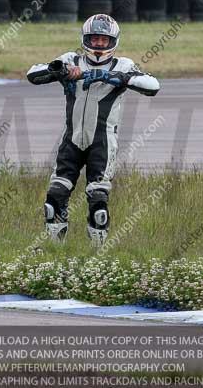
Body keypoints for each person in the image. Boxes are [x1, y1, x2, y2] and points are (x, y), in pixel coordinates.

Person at [26, 14, 161, 246]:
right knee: (54, 197)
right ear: (85, 39)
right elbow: (33, 74)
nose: (98, 44)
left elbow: (152, 85)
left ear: (113, 42)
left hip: (103, 141)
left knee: (98, 200)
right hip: (72, 140)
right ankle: (55, 250)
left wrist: (114, 77)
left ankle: (96, 255)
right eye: (94, 39)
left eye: (103, 40)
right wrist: (60, 71)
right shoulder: (71, 59)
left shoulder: (124, 64)